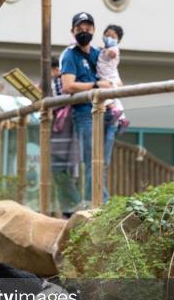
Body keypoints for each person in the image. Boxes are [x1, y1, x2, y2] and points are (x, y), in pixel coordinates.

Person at [60, 12, 117, 203]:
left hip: (108, 112)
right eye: (80, 29)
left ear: (93, 30)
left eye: (88, 28)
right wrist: (95, 86)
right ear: (72, 31)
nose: (84, 32)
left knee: (104, 162)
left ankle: (98, 201)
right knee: (93, 160)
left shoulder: (97, 53)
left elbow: (112, 75)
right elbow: (68, 86)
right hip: (85, 113)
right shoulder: (69, 55)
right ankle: (96, 204)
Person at [50, 57, 80, 215]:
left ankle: (75, 209)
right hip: (59, 135)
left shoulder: (60, 83)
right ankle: (68, 210)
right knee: (59, 174)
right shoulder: (54, 83)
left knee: (64, 174)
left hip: (68, 132)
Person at [97, 24, 129, 134]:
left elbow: (113, 54)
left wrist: (108, 51)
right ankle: (122, 119)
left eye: (113, 37)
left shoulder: (113, 49)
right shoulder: (103, 49)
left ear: (118, 40)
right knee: (116, 99)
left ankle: (114, 110)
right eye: (106, 35)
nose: (109, 38)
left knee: (105, 94)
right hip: (111, 76)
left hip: (108, 78)